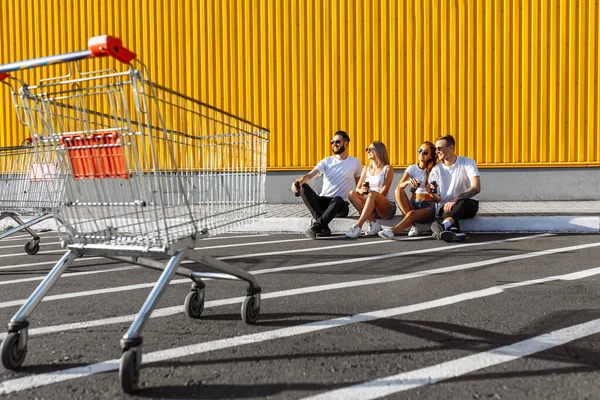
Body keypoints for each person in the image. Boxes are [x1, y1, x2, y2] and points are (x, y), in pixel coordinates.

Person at [291, 130, 362, 239]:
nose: (334, 144)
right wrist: (298, 183)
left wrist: (362, 207)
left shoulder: (355, 162)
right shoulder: (327, 161)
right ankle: (322, 227)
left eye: (337, 142)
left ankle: (316, 227)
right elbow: (310, 175)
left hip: (340, 205)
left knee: (337, 199)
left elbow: (359, 185)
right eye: (332, 142)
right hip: (323, 202)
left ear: (346, 143)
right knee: (303, 187)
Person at [378, 141, 438, 239]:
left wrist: (431, 188)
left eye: (425, 152)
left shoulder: (435, 169)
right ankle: (413, 226)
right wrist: (409, 182)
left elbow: (436, 190)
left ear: (431, 156)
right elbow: (399, 186)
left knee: (411, 213)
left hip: (428, 206)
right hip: (413, 202)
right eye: (420, 150)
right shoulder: (412, 168)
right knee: (398, 190)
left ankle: (392, 231)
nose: (421, 154)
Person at [429, 134, 481, 243]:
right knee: (447, 209)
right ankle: (454, 231)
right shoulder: (435, 170)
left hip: (467, 205)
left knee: (464, 201)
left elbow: (476, 187)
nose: (437, 152)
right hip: (445, 208)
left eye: (439, 148)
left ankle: (442, 226)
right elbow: (437, 198)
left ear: (451, 147)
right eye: (436, 149)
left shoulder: (467, 162)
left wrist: (455, 199)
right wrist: (431, 193)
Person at [345, 141, 396, 238]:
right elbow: (358, 188)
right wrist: (362, 190)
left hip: (386, 207)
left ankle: (358, 226)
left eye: (371, 149)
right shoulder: (366, 169)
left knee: (372, 194)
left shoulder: (387, 168)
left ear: (379, 151)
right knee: (352, 193)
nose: (368, 151)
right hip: (371, 203)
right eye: (367, 149)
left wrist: (371, 197)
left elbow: (384, 191)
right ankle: (373, 223)